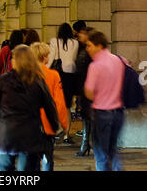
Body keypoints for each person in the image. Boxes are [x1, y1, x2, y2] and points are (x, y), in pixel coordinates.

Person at [0, 45, 59, 172]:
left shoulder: (4, 80)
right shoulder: (38, 81)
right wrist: (53, 126)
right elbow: (50, 106)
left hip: (7, 135)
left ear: (15, 61)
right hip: (29, 137)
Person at [84, 30, 125, 171]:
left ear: (99, 45)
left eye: (89, 45)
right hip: (118, 112)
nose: (87, 48)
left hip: (102, 113)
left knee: (100, 153)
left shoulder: (95, 66)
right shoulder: (118, 60)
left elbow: (89, 93)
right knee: (112, 149)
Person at [30, 42, 68, 171]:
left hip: (28, 124)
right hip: (47, 123)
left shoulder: (24, 75)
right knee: (47, 158)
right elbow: (60, 102)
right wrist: (63, 124)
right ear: (45, 57)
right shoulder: (53, 75)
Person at [47, 23, 79, 144]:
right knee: (67, 105)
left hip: (58, 75)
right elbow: (74, 59)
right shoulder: (75, 43)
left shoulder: (54, 41)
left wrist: (44, 71)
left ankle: (55, 130)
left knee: (55, 103)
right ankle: (66, 134)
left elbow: (51, 59)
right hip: (71, 76)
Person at [75, 26, 93, 157]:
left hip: (88, 88)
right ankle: (85, 143)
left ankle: (86, 144)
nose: (79, 35)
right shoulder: (83, 49)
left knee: (88, 116)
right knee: (86, 116)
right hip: (84, 87)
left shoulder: (88, 50)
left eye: (82, 33)